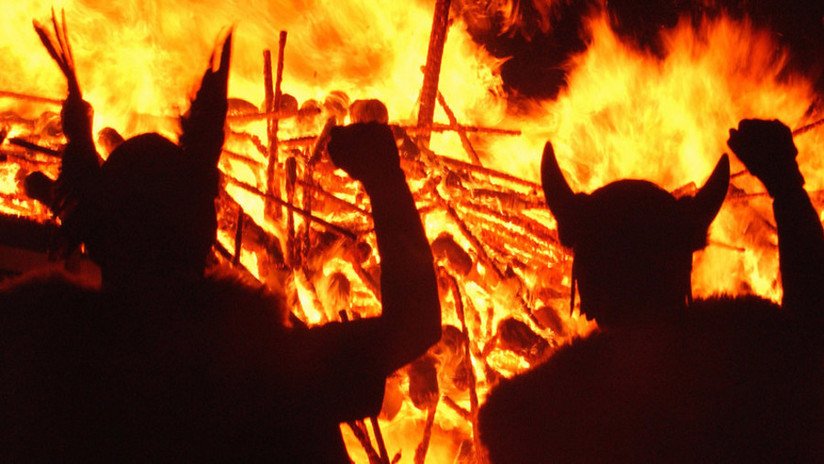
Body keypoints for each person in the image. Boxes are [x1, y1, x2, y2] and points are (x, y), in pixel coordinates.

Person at [1, 15, 440, 462]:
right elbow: (415, 325)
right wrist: (384, 180)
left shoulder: (38, 353)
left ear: (93, 237)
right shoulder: (261, 363)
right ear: (206, 230)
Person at [479, 120, 824, 462]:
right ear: (681, 271)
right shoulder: (750, 353)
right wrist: (785, 185)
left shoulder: (533, 419)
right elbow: (813, 321)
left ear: (584, 283)